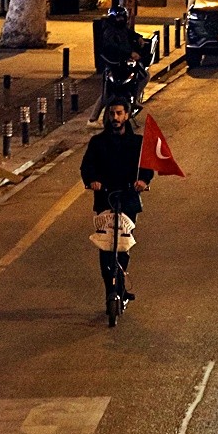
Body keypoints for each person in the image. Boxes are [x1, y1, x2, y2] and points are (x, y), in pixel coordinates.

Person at [79, 100, 154, 304]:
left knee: (123, 244)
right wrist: (92, 181)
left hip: (128, 199)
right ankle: (110, 289)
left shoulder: (137, 143)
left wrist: (143, 181)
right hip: (105, 198)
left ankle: (121, 283)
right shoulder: (97, 142)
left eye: (119, 113)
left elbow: (147, 167)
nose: (115, 118)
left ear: (127, 115)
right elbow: (87, 167)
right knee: (105, 246)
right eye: (112, 114)